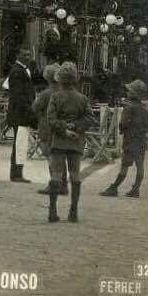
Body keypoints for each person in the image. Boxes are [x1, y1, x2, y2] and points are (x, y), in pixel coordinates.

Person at [46, 61, 93, 223]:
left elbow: (50, 119)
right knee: (75, 176)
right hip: (76, 141)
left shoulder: (55, 97)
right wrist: (76, 127)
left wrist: (64, 129)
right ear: (75, 80)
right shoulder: (83, 98)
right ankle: (73, 211)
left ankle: (52, 211)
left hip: (59, 140)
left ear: (59, 80)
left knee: (56, 175)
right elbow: (89, 118)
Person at [100, 79, 148, 199]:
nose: (127, 92)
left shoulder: (128, 108)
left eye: (129, 91)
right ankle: (136, 189)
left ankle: (114, 188)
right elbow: (147, 126)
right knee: (140, 165)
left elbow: (122, 125)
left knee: (124, 166)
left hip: (130, 141)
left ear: (134, 94)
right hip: (141, 141)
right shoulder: (145, 109)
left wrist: (123, 130)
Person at [32, 63, 67, 196]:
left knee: (50, 157)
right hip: (61, 128)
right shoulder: (63, 92)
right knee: (61, 157)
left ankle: (54, 185)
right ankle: (63, 185)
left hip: (47, 128)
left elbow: (35, 108)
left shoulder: (46, 93)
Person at [7, 46, 36, 182]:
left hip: (21, 112)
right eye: (24, 54)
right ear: (18, 55)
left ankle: (17, 172)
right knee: (20, 143)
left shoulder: (24, 70)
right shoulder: (17, 71)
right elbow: (19, 96)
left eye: (29, 54)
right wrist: (29, 110)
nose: (27, 57)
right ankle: (16, 174)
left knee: (20, 143)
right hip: (20, 113)